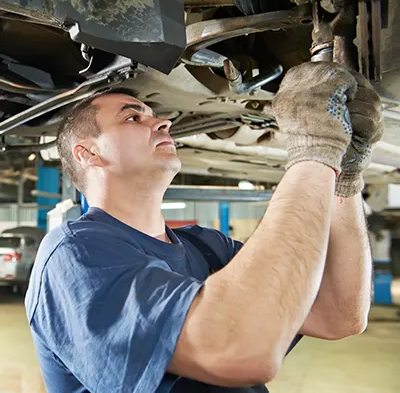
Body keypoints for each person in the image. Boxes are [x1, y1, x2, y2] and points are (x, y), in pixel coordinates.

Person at [25, 62, 384, 393]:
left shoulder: (206, 246)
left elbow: (339, 314)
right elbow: (236, 349)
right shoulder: (74, 255)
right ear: (87, 154)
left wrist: (345, 175)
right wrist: (315, 150)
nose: (163, 123)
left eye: (155, 116)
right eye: (133, 118)